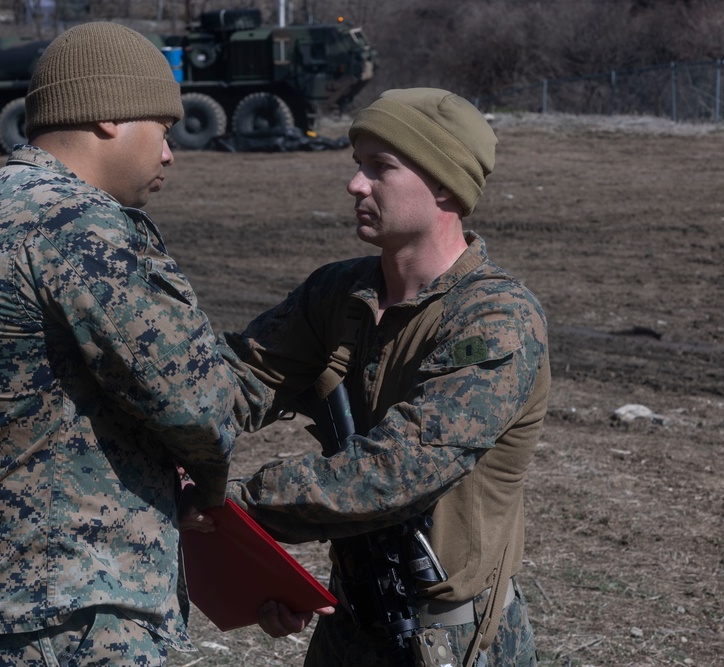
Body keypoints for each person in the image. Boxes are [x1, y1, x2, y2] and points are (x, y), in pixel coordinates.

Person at [0, 22, 238, 666]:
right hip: (66, 610)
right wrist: (209, 481)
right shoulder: (74, 223)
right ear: (111, 117)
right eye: (163, 129)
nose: (170, 153)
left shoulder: (3, 209)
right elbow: (199, 405)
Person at [217, 88, 551, 666]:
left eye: (381, 168)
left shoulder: (499, 320)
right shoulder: (337, 294)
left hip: (450, 642)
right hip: (348, 623)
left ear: (444, 184)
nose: (356, 185)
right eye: (358, 166)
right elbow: (236, 382)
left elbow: (399, 468)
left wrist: (244, 512)